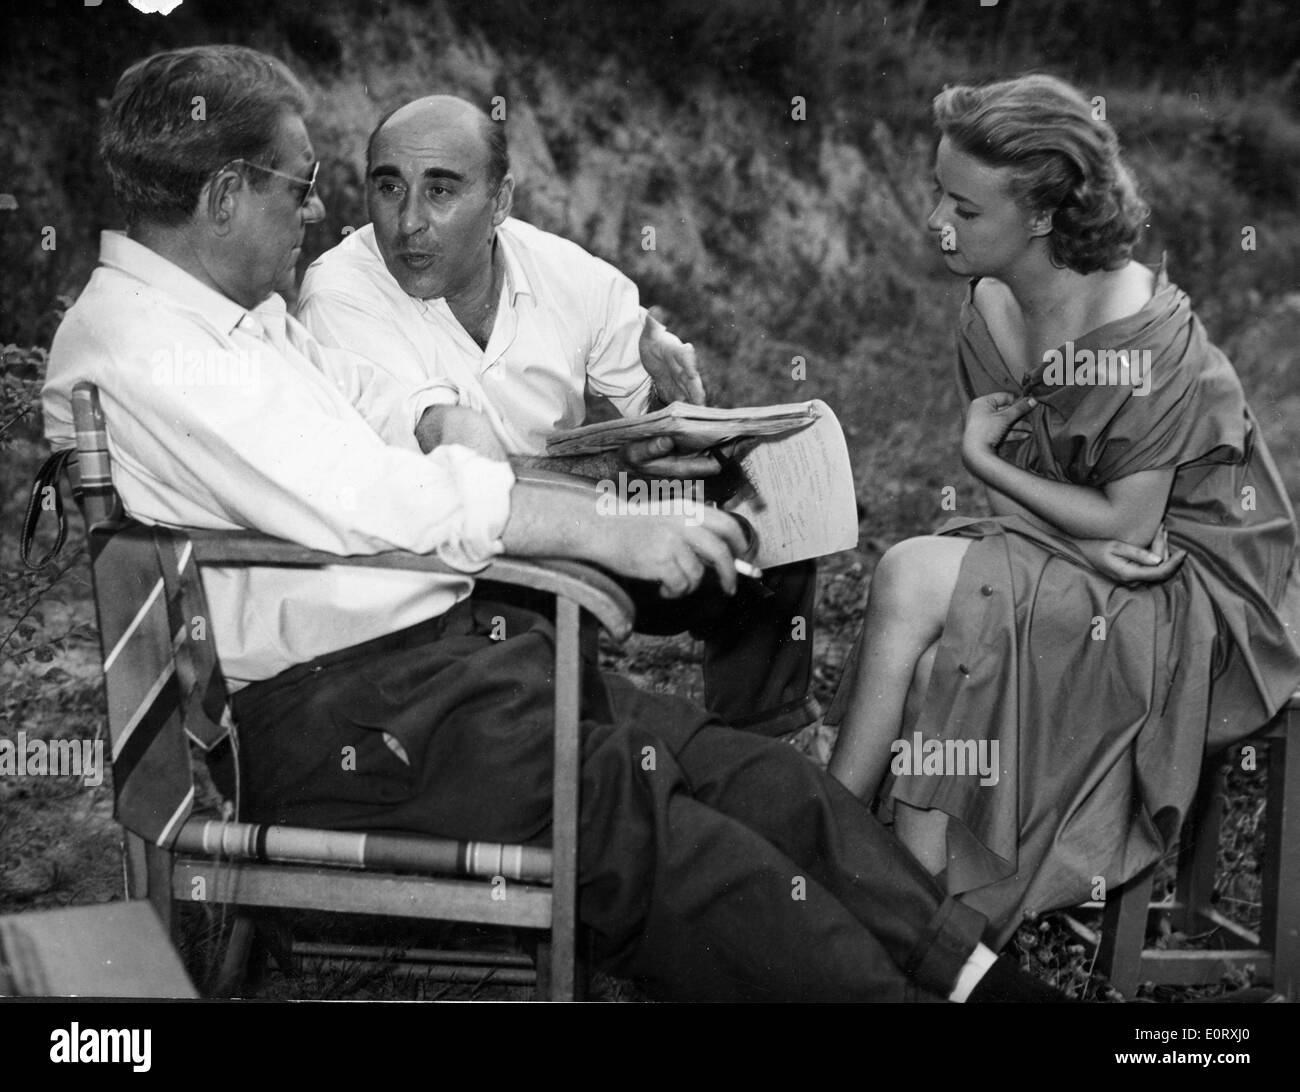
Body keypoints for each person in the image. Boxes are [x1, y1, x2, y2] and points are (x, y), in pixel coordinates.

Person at [41, 44, 1068, 1003]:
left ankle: (979, 980)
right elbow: (371, 497)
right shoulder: (145, 348)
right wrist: (606, 532)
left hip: (445, 670)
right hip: (349, 723)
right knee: (666, 843)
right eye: (299, 187)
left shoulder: (234, 314)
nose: (316, 214)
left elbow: (355, 395)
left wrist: (427, 408)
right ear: (223, 197)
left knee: (750, 777)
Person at [826, 73, 1300, 947]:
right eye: (939, 191)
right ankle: (916, 928)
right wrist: (1065, 537)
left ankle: (824, 839)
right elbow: (1080, 510)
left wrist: (976, 460)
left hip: (1195, 586)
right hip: (1094, 548)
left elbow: (1130, 526)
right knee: (940, 672)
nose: (938, 221)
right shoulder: (992, 303)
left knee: (907, 571)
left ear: (1041, 218)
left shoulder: (1142, 334)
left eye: (965, 210)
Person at [294, 96, 820, 739]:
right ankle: (589, 757)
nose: (408, 224)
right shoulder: (342, 291)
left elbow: (651, 414)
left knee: (772, 505)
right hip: (449, 550)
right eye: (388, 188)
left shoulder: (564, 272)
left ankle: (765, 737)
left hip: (580, 513)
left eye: (440, 190)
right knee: (534, 642)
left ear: (501, 202)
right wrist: (604, 474)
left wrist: (669, 404)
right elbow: (446, 479)